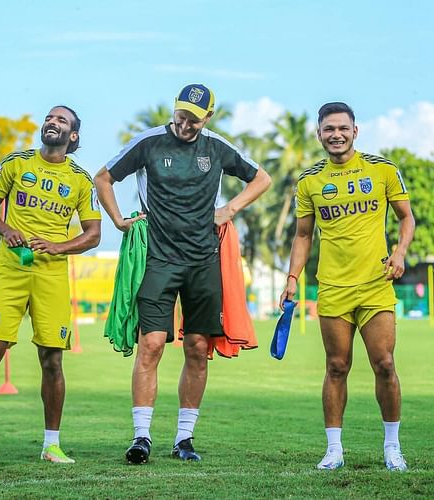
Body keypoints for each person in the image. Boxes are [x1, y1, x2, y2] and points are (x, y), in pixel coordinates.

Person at [94, 84, 271, 464]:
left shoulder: (217, 146)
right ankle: (141, 437)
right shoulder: (149, 142)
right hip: (158, 259)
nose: (185, 122)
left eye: (194, 117)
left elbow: (262, 179)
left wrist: (231, 208)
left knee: (197, 349)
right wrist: (119, 221)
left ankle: (184, 439)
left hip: (204, 260)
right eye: (180, 114)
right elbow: (103, 178)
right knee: (152, 344)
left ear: (208, 117)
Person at [0, 106, 102, 466]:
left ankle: (51, 444)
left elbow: (94, 234)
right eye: (50, 118)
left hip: (51, 275)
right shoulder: (16, 164)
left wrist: (58, 247)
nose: (52, 123)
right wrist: (7, 230)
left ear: (73, 136)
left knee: (52, 360)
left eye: (61, 121)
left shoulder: (81, 180)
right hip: (11, 268)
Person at [280, 102, 415, 471]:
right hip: (334, 288)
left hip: (375, 283)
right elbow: (303, 235)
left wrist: (400, 253)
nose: (335, 134)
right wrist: (293, 278)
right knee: (336, 366)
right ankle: (334, 450)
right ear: (319, 134)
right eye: (328, 129)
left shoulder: (383, 170)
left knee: (385, 364)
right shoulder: (309, 181)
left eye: (342, 128)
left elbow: (406, 218)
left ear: (355, 131)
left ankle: (392, 446)